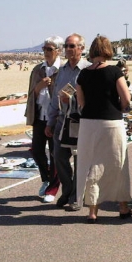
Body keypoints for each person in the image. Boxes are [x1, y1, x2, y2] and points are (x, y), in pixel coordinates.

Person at [75, 36, 132, 223]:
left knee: (92, 164)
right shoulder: (115, 72)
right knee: (118, 164)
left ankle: (93, 210)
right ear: (108, 50)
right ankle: (123, 207)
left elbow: (81, 103)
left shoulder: (83, 74)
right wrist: (121, 107)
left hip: (88, 124)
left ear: (92, 51)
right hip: (111, 122)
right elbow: (126, 99)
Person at [45, 33, 89, 211]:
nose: (69, 49)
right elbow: (55, 99)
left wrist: (73, 101)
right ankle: (68, 190)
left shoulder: (88, 70)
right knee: (59, 157)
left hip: (81, 121)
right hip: (62, 121)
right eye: (67, 46)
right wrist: (50, 121)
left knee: (80, 160)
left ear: (81, 48)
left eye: (72, 46)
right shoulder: (62, 71)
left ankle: (76, 197)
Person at [25, 36, 63, 203]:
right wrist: (39, 86)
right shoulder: (37, 70)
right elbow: (31, 94)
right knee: (37, 150)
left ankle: (53, 190)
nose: (46, 52)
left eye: (49, 49)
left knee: (55, 153)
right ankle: (46, 178)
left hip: (56, 118)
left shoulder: (63, 69)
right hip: (40, 116)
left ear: (58, 51)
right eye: (44, 49)